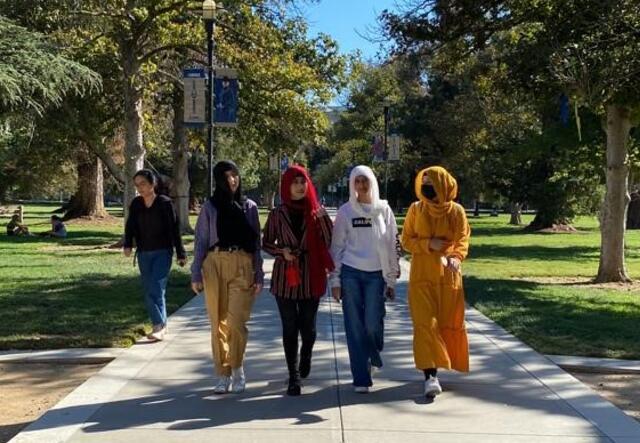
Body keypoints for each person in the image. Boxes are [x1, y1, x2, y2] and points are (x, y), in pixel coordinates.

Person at [191, 160, 263, 394]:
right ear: (219, 181)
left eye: (235, 175)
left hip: (242, 264)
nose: (233, 180)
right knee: (217, 322)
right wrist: (196, 273)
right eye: (227, 177)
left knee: (236, 322)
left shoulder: (249, 206)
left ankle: (237, 367)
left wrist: (259, 273)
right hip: (215, 263)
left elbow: (256, 244)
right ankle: (222, 374)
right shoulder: (210, 207)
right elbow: (201, 241)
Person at [262, 165, 334, 396]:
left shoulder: (316, 212)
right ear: (287, 186)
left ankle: (307, 354)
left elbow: (330, 241)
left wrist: (322, 218)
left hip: (310, 275)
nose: (300, 187)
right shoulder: (277, 214)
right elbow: (266, 243)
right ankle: (293, 376)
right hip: (285, 276)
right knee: (290, 327)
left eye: (303, 182)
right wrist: (281, 251)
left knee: (309, 328)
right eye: (295, 182)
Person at [401, 166, 471, 398]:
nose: (427, 187)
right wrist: (427, 244)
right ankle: (430, 375)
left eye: (432, 182)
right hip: (421, 276)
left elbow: (462, 238)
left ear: (444, 185)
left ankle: (441, 365)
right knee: (425, 324)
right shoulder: (416, 209)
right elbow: (406, 240)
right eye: (425, 182)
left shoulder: (457, 212)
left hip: (448, 277)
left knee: (444, 324)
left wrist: (456, 258)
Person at [330, 166, 399, 393]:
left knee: (372, 323)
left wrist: (391, 279)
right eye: (356, 182)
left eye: (364, 181)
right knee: (354, 326)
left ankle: (373, 351)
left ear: (372, 182)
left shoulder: (384, 210)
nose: (361, 186)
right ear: (352, 185)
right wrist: (336, 281)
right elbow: (337, 248)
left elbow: (391, 245)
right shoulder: (346, 212)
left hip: (376, 276)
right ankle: (361, 377)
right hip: (351, 273)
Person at [124, 169, 187, 342]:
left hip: (162, 252)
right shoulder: (136, 204)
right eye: (137, 185)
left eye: (143, 184)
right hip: (144, 253)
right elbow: (130, 225)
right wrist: (128, 244)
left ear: (153, 184)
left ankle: (158, 325)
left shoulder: (164, 203)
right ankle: (162, 326)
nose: (140, 188)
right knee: (150, 290)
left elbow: (175, 229)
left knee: (156, 288)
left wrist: (180, 253)